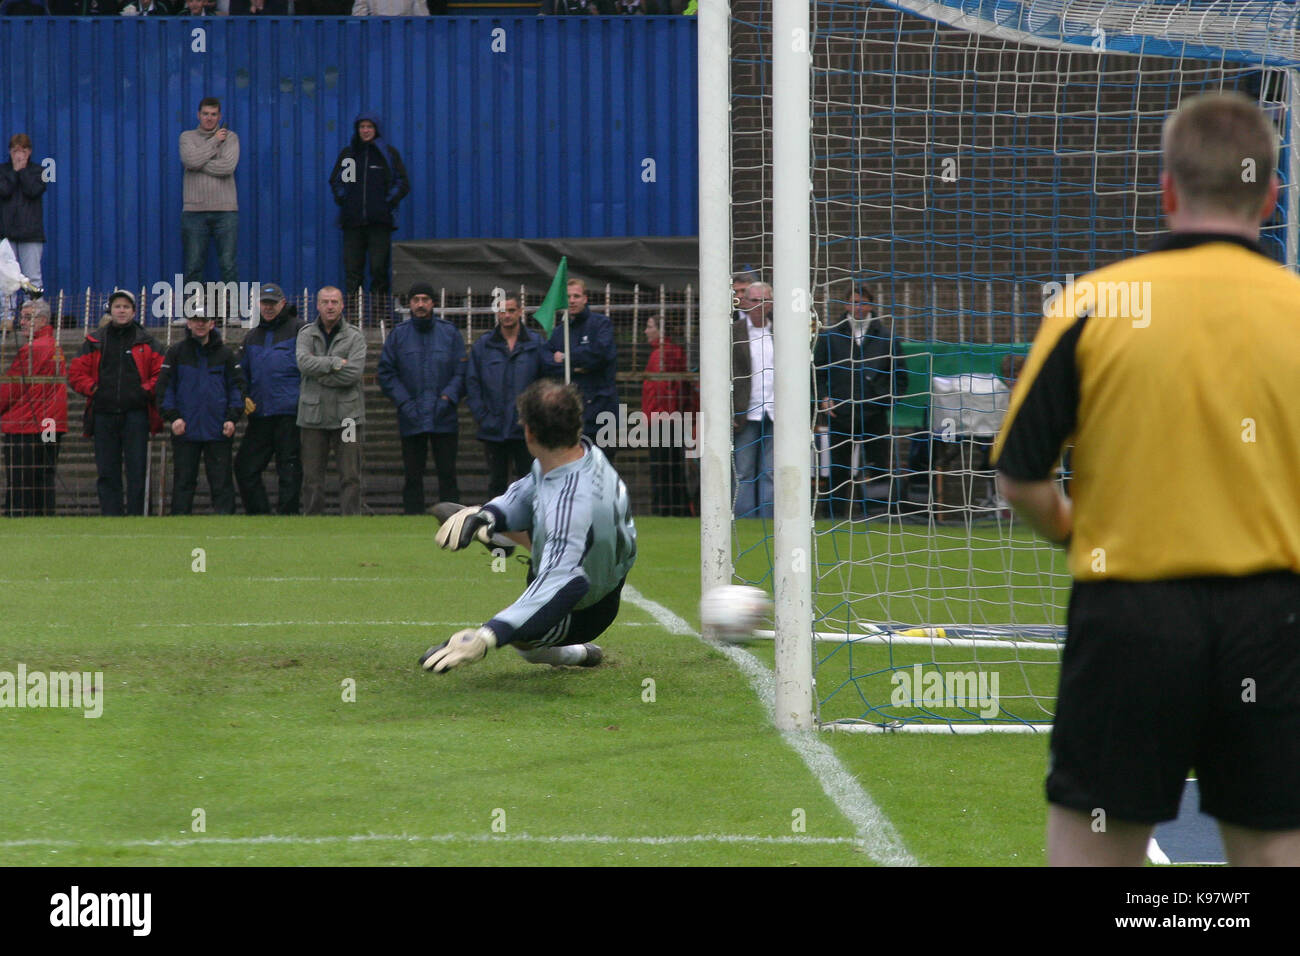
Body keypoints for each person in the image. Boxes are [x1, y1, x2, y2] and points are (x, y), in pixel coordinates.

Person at [994, 91, 1300, 867]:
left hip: (1129, 619)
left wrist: (1075, 530)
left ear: (1166, 191)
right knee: (1272, 850)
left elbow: (1021, 480)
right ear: (1270, 194)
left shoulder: (1094, 306)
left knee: (1094, 851)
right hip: (1273, 625)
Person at [422, 379, 636, 673]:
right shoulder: (577, 454)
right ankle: (493, 532)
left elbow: (562, 586)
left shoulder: (572, 506)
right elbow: (528, 491)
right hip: (600, 562)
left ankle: (581, 654)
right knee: (527, 518)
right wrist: (488, 514)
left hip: (586, 610)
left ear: (529, 433)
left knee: (526, 641)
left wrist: (486, 636)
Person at [67, 290, 165, 516]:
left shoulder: (149, 342)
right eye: (117, 306)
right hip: (103, 414)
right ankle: (111, 516)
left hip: (136, 414)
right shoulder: (94, 341)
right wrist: (94, 390)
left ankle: (137, 515)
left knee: (137, 469)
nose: (121, 310)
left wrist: (144, 392)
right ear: (110, 310)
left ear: (134, 311)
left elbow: (161, 374)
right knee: (106, 470)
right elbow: (76, 373)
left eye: (126, 307)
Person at [814, 282, 906, 520]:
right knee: (838, 469)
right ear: (846, 304)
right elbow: (817, 373)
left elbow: (900, 377)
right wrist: (823, 399)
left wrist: (884, 400)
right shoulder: (830, 335)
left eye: (863, 302)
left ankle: (876, 515)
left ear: (871, 305)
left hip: (874, 415)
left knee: (877, 467)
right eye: (854, 302)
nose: (858, 307)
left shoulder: (886, 337)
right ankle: (833, 517)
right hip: (840, 414)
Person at [377, 281, 465, 514]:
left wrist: (447, 398)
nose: (420, 304)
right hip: (411, 416)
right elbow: (386, 373)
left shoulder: (450, 333)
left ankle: (455, 520)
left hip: (444, 417)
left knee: (448, 473)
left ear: (433, 303)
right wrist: (405, 402)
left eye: (425, 299)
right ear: (409, 304)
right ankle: (412, 518)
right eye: (416, 300)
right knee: (412, 474)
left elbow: (462, 371)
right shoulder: (398, 336)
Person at [157, 312, 245, 515]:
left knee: (222, 482)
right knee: (183, 481)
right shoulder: (176, 353)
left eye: (204, 321)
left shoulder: (225, 354)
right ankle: (179, 525)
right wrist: (173, 416)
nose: (200, 324)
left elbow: (237, 388)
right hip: (185, 428)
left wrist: (232, 418)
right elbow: (165, 388)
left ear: (212, 324)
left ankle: (225, 526)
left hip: (219, 429)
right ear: (188, 323)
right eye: (195, 320)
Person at [465, 291, 548, 499]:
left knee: (530, 484)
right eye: (502, 311)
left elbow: (545, 384)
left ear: (520, 312)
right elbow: (472, 384)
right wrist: (483, 417)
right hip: (494, 427)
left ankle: (529, 529)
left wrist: (535, 419)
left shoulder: (536, 344)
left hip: (526, 429)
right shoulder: (483, 346)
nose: (507, 315)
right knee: (496, 484)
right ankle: (494, 528)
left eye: (511, 310)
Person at [235, 282, 305, 514]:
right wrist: (243, 396)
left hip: (290, 414)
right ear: (259, 305)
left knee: (289, 469)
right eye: (265, 303)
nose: (268, 308)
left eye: (272, 303)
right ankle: (260, 515)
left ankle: (288, 516)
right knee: (245, 467)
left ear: (283, 303)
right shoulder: (252, 336)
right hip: (260, 414)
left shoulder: (299, 330)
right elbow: (240, 373)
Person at [328, 114, 409, 308]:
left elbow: (402, 182)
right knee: (352, 271)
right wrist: (345, 201)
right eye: (362, 127)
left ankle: (379, 315)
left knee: (379, 269)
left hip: (379, 224)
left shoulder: (387, 155)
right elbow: (338, 181)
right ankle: (353, 317)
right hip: (352, 224)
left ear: (376, 129)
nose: (365, 130)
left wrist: (386, 202)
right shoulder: (350, 154)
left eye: (369, 127)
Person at [297, 286, 366, 515]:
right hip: (313, 417)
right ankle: (314, 519)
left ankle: (350, 519)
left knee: (350, 474)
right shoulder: (306, 334)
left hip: (348, 418)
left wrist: (320, 374)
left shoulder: (355, 336)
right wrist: (335, 363)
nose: (329, 306)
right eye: (325, 302)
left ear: (342, 305)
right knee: (312, 476)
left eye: (334, 302)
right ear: (317, 305)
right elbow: (303, 364)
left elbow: (353, 373)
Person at [0, 298, 66, 516]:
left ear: (43, 319)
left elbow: (12, 388)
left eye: (28, 317)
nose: (23, 322)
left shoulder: (32, 349)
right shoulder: (54, 345)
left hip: (27, 425)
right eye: (22, 317)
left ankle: (20, 515)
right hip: (51, 422)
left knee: (22, 477)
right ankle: (44, 515)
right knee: (44, 473)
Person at [546, 278, 617, 459]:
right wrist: (579, 363)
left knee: (603, 468)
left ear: (585, 298)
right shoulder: (559, 332)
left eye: (576, 296)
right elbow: (549, 364)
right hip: (571, 416)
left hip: (602, 412)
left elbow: (599, 355)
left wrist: (566, 358)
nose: (572, 300)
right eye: (568, 296)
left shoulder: (601, 324)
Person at [179, 98, 240, 296]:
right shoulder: (187, 137)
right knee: (193, 264)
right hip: (194, 211)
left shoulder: (231, 138)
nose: (209, 118)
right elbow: (189, 159)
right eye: (205, 114)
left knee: (228, 264)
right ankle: (191, 311)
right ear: (198, 115)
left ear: (219, 116)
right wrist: (214, 142)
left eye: (214, 114)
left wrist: (197, 163)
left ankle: (231, 313)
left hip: (226, 211)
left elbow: (227, 167)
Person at [731, 281, 773, 518]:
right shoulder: (733, 332)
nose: (759, 305)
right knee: (744, 471)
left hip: (776, 412)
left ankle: (770, 519)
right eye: (754, 300)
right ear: (745, 302)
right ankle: (745, 520)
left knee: (772, 471)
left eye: (764, 300)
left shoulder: (782, 332)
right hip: (745, 412)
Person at [642, 314, 691, 516]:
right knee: (671, 467)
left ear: (659, 330)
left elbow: (663, 391)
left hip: (661, 418)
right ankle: (675, 509)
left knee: (662, 469)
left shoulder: (662, 354)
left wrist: (655, 417)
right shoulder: (668, 351)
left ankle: (664, 509)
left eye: (649, 326)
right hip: (667, 417)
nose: (645, 331)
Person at [0, 134, 47, 321]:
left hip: (31, 234)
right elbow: (4, 191)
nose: (19, 155)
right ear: (10, 152)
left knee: (32, 278)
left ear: (30, 152)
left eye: (23, 150)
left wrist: (23, 171)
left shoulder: (39, 171)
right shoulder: (2, 171)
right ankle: (6, 318)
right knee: (5, 278)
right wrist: (14, 171)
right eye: (15, 151)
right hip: (6, 234)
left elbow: (33, 190)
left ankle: (34, 318)